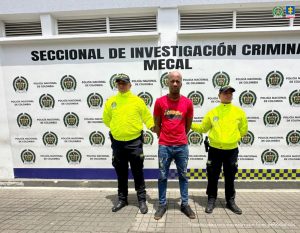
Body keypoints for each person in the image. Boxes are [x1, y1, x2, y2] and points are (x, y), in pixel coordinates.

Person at [102, 73, 155, 214]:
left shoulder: (137, 101)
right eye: (119, 83)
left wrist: (152, 127)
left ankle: (142, 200)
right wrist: (118, 129)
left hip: (134, 142)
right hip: (118, 143)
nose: (121, 85)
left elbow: (147, 117)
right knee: (121, 173)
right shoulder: (111, 101)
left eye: (124, 83)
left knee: (138, 172)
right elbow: (106, 120)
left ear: (130, 85)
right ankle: (122, 199)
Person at [192, 85, 248, 215]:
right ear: (219, 95)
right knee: (212, 176)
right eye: (225, 93)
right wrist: (188, 124)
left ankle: (230, 201)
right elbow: (203, 128)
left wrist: (233, 138)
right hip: (215, 150)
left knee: (230, 177)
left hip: (231, 150)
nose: (228, 95)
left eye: (230, 93)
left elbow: (244, 130)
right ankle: (211, 199)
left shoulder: (239, 112)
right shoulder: (213, 112)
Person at [153, 71, 196, 220]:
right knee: (163, 176)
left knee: (183, 176)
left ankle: (185, 204)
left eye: (178, 81)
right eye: (172, 81)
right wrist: (163, 137)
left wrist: (179, 137)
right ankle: (162, 204)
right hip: (164, 145)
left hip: (181, 146)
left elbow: (188, 125)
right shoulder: (159, 102)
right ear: (167, 82)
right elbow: (157, 123)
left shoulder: (188, 103)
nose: (175, 83)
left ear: (181, 83)